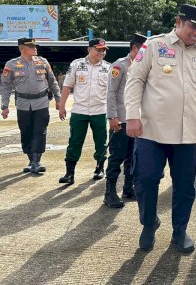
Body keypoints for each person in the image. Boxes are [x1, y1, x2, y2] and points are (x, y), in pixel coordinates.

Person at [125, 4, 196, 253]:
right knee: (145, 180)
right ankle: (149, 223)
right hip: (151, 131)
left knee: (185, 186)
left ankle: (179, 231)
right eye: (194, 26)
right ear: (179, 21)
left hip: (190, 134)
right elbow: (135, 80)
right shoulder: (154, 45)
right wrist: (132, 117)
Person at [1, 38, 61, 174]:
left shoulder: (43, 62)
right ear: (22, 48)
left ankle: (36, 161)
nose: (35, 48)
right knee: (26, 131)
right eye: (31, 46)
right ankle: (30, 159)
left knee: (40, 131)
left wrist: (58, 99)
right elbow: (5, 86)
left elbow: (53, 82)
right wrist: (4, 106)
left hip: (41, 102)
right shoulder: (11, 64)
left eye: (35, 46)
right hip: (22, 103)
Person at [58, 38, 111, 185]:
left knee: (100, 142)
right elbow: (67, 86)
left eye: (104, 50)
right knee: (75, 141)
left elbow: (112, 92)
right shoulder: (77, 64)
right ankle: (69, 173)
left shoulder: (108, 68)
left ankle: (100, 168)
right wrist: (62, 106)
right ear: (89, 49)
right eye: (98, 49)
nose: (102, 52)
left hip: (99, 110)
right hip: (79, 110)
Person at [103, 33, 147, 208]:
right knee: (116, 157)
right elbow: (111, 92)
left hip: (135, 120)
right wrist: (112, 117)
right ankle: (110, 193)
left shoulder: (144, 67)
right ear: (135, 48)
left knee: (132, 157)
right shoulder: (119, 66)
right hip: (120, 120)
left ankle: (128, 188)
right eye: (143, 50)